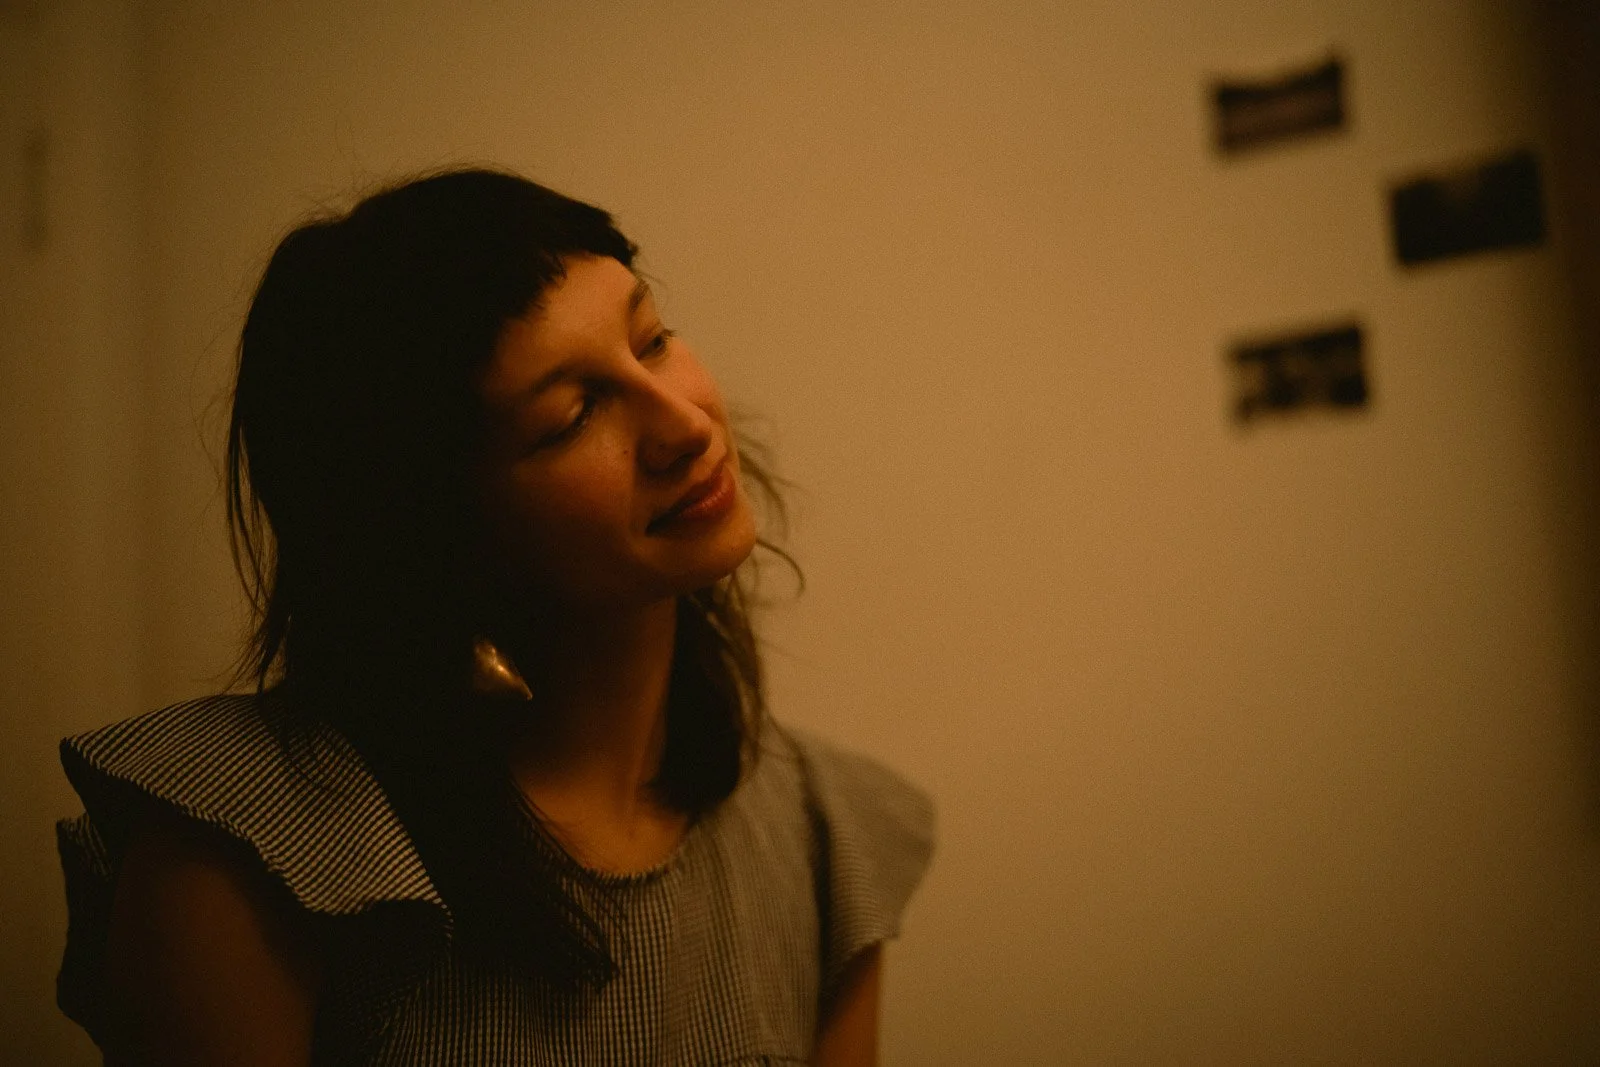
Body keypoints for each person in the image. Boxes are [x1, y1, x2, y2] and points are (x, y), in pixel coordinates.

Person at [54, 169, 934, 1066]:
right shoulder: (250, 855)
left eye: (653, 338)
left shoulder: (824, 835)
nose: (685, 425)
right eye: (572, 414)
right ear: (432, 530)